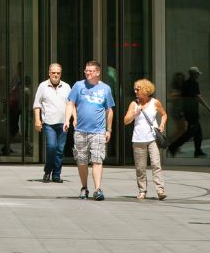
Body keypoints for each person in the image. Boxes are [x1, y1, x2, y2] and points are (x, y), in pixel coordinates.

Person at [65, 60, 115, 201]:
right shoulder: (78, 86)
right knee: (81, 161)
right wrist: (66, 120)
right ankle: (84, 187)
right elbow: (70, 103)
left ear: (98, 72)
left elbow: (109, 110)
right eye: (86, 70)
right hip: (80, 130)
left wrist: (108, 129)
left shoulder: (106, 89)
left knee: (97, 160)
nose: (88, 72)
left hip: (98, 131)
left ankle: (97, 189)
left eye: (91, 70)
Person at [124, 79, 168, 200]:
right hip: (138, 139)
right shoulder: (134, 104)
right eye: (135, 89)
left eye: (138, 89)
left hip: (152, 138)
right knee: (140, 167)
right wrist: (134, 114)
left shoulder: (155, 102)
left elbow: (164, 114)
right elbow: (126, 121)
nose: (135, 91)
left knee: (156, 164)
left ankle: (160, 190)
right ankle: (142, 190)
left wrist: (162, 124)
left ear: (145, 90)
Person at [32, 62, 71, 183]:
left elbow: (71, 104)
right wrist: (37, 120)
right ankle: (48, 171)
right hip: (48, 123)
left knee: (60, 150)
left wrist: (73, 119)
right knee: (51, 147)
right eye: (53, 73)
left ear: (61, 74)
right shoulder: (42, 86)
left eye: (58, 73)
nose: (55, 75)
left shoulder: (66, 87)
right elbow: (37, 104)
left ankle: (56, 175)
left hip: (63, 123)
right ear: (49, 73)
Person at [168, 65, 207, 158]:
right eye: (197, 74)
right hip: (190, 112)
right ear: (193, 74)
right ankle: (173, 146)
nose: (198, 76)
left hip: (192, 111)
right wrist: (208, 108)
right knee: (190, 132)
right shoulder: (190, 84)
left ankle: (198, 151)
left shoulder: (188, 84)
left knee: (198, 133)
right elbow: (198, 97)